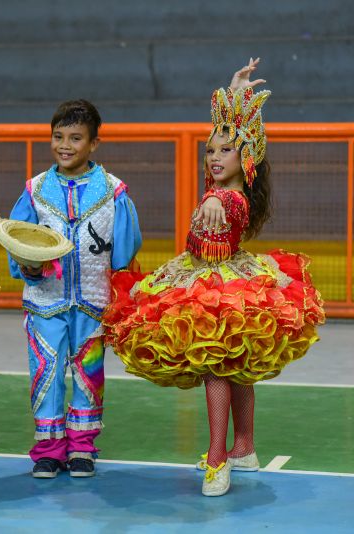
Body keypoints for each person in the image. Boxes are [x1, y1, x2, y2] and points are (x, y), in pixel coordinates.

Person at [103, 59, 325, 496]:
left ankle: (218, 462)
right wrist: (236, 91)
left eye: (226, 150)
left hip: (218, 286)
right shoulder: (222, 188)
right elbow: (229, 146)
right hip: (218, 277)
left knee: (216, 367)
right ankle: (244, 447)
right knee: (237, 365)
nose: (215, 156)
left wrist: (216, 203)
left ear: (247, 158)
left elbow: (230, 205)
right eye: (210, 150)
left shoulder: (229, 198)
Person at [7, 99, 142, 478]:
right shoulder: (34, 191)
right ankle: (49, 449)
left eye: (75, 138)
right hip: (44, 301)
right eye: (58, 136)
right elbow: (18, 242)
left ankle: (82, 447)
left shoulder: (114, 193)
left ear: (94, 143)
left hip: (92, 303)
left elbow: (124, 251)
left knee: (89, 373)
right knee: (46, 372)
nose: (64, 145)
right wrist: (28, 266)